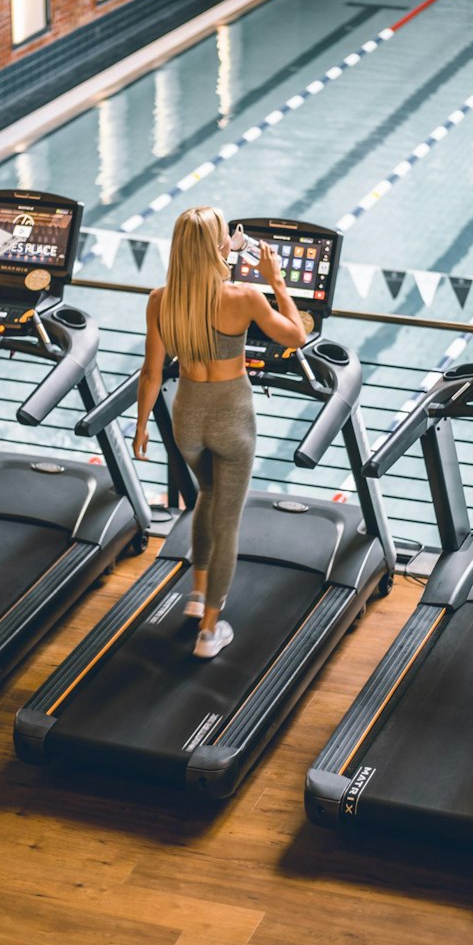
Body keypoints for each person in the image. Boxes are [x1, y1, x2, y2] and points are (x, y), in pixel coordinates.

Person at [133, 207, 306, 658]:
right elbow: (295, 337)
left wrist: (140, 430)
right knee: (227, 523)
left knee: (207, 496)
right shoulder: (245, 297)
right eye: (226, 235)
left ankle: (196, 594)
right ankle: (210, 631)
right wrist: (278, 280)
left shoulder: (160, 299)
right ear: (218, 247)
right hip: (231, 418)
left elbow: (151, 373)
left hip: (186, 417)